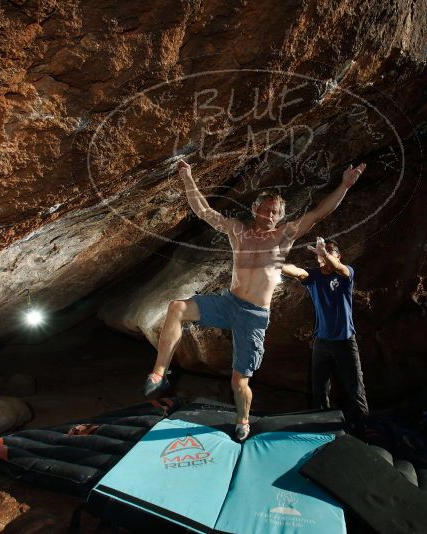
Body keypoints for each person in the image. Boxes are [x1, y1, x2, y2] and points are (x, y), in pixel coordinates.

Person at [142, 158, 367, 441]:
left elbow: (319, 213)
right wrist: (187, 177)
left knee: (239, 382)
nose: (269, 215)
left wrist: (344, 186)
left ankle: (243, 420)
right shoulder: (238, 231)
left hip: (254, 316)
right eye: (265, 209)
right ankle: (159, 373)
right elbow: (204, 211)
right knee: (177, 307)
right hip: (229, 303)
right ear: (255, 209)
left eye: (275, 212)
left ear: (280, 216)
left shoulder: (283, 236)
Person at [281, 238, 369, 434]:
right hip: (322, 342)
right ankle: (322, 427)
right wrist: (274, 262)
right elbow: (296, 271)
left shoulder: (346, 274)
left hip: (345, 342)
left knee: (355, 388)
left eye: (329, 252)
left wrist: (326, 254)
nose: (323, 257)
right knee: (319, 388)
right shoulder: (313, 277)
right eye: (320, 255)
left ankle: (364, 429)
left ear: (338, 256)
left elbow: (339, 268)